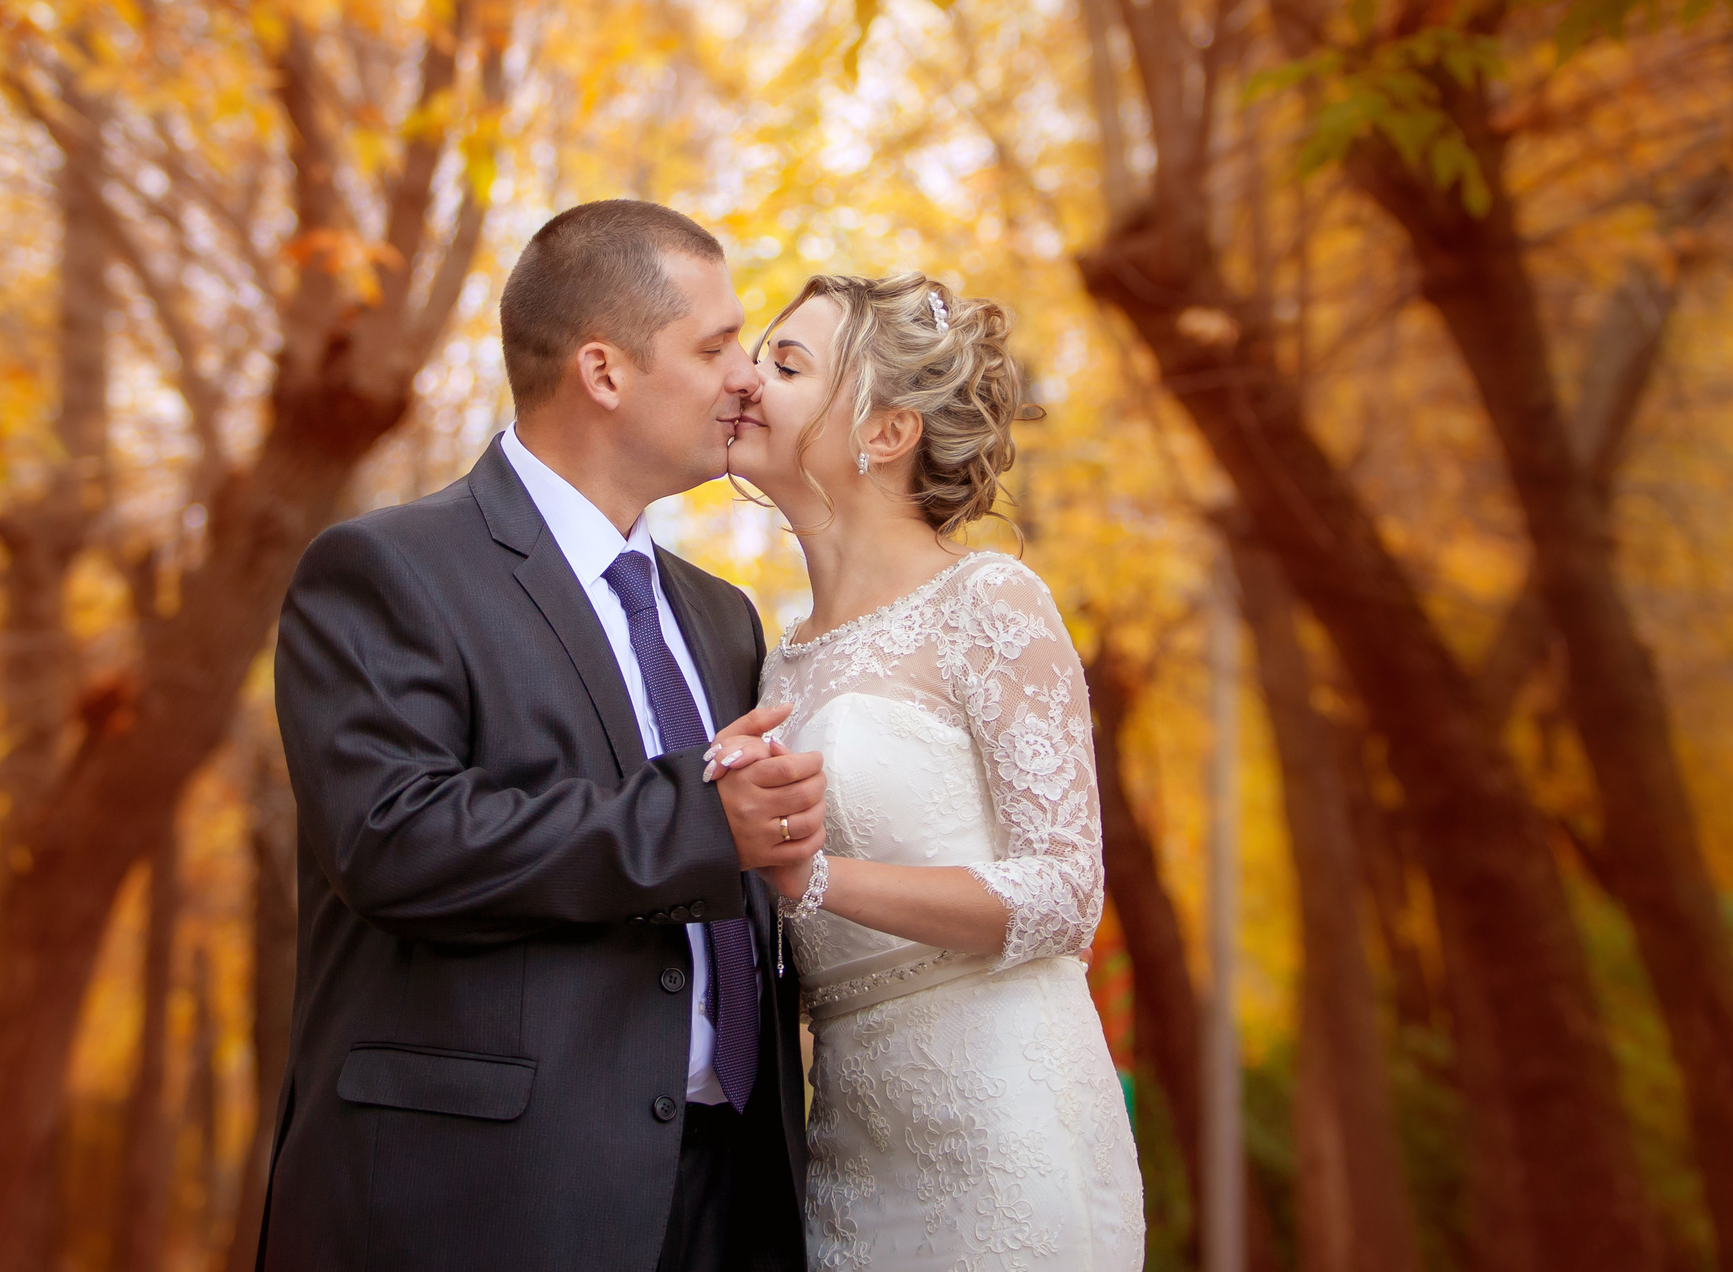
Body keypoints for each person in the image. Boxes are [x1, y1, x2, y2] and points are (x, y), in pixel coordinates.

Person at [267, 200, 820, 1272]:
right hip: (490, 1202)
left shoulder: (722, 617)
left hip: (734, 1200)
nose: (744, 377)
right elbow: (393, 835)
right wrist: (698, 819)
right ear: (604, 371)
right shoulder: (387, 571)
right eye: (714, 347)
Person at [709, 273, 1144, 1272]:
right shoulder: (776, 658)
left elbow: (1065, 892)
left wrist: (816, 877)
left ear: (886, 430)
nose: (744, 378)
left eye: (785, 363)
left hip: (1005, 1124)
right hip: (850, 1144)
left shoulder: (989, 601)